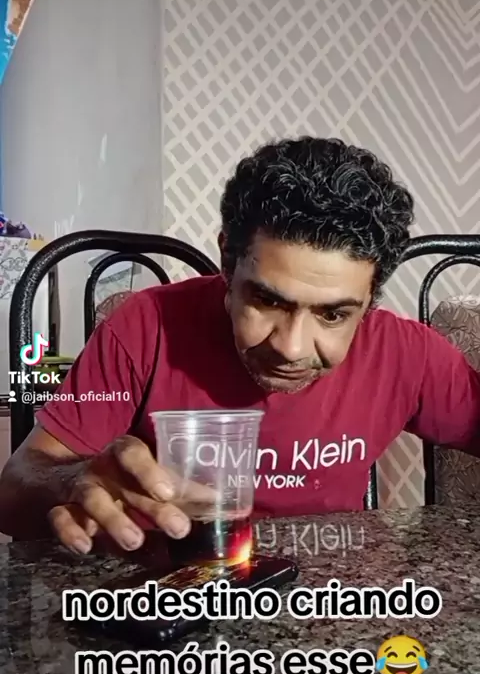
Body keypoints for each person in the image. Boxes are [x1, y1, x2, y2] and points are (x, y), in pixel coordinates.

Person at [1, 137, 479, 552]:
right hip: (173, 590)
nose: (291, 347)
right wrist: (72, 480)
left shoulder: (407, 354)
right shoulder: (146, 328)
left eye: (333, 315)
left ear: (370, 300)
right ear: (228, 263)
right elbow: (12, 493)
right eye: (267, 301)